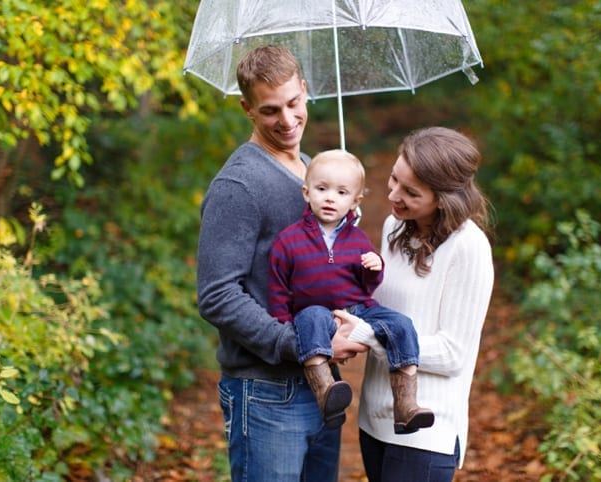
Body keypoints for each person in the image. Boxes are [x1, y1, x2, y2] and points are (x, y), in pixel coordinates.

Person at [195, 45, 365, 482]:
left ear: (305, 91)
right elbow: (217, 296)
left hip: (321, 386)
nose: (287, 121)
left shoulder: (315, 173)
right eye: (270, 110)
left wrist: (343, 232)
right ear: (247, 109)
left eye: (293, 104)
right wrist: (301, 345)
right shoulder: (239, 185)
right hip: (268, 392)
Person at [335, 127, 495, 481]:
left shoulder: (468, 247)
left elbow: (453, 353)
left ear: (444, 198)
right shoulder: (395, 226)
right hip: (375, 419)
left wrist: (367, 335)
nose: (393, 194)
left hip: (426, 431)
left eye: (411, 192)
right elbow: (379, 308)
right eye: (394, 179)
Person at [267, 149, 434, 433]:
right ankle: (325, 391)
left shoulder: (357, 239)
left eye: (341, 192)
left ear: (355, 202)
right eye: (322, 189)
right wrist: (283, 322)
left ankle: (406, 404)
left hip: (358, 307)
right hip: (314, 310)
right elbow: (278, 287)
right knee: (310, 319)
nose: (330, 197)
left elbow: (368, 286)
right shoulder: (289, 240)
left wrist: (373, 267)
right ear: (307, 193)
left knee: (402, 325)